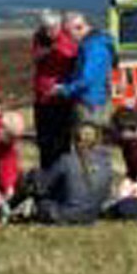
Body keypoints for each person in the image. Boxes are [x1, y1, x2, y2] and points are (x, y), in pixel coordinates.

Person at [12, 122, 112, 226]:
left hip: (62, 215)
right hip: (91, 217)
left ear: (73, 141)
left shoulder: (66, 161)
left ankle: (7, 208)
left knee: (33, 178)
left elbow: (41, 186)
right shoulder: (106, 164)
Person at [32, 10, 78, 169]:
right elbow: (37, 57)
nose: (48, 32)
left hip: (62, 98)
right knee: (45, 142)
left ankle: (63, 174)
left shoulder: (68, 38)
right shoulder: (39, 38)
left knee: (62, 141)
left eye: (51, 28)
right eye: (45, 28)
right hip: (43, 98)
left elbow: (72, 56)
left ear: (59, 26)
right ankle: (46, 175)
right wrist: (50, 50)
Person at [54, 12, 116, 126]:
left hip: (91, 104)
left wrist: (66, 89)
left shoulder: (93, 46)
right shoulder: (94, 43)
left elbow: (87, 78)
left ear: (79, 28)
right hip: (94, 100)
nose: (69, 38)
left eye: (69, 33)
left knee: (87, 139)